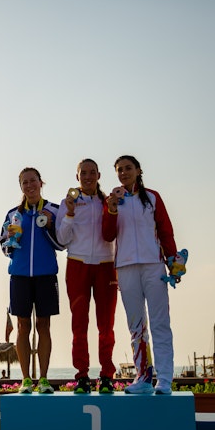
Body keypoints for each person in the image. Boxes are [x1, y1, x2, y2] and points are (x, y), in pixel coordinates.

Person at [102, 155, 178, 395]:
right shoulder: (112, 200)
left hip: (153, 266)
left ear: (138, 170)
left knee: (160, 323)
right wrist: (112, 210)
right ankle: (143, 377)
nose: (124, 173)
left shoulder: (153, 197)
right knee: (136, 326)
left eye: (128, 168)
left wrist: (173, 260)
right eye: (120, 170)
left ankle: (164, 379)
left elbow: (166, 231)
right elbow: (107, 234)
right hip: (125, 268)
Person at [0, 167, 65, 394]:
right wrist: (10, 239)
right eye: (25, 183)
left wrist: (49, 225)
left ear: (41, 182)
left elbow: (63, 243)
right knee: (22, 326)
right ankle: (26, 379)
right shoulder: (12, 214)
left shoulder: (53, 210)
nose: (29, 186)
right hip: (19, 276)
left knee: (44, 326)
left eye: (33, 181)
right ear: (21, 187)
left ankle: (44, 379)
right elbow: (4, 246)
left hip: (46, 275)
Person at [56, 159, 118, 394]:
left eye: (92, 173)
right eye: (84, 173)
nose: (88, 177)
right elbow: (62, 240)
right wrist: (70, 214)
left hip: (105, 265)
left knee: (106, 325)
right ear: (77, 177)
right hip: (77, 264)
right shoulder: (68, 202)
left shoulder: (108, 201)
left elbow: (114, 233)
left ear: (99, 175)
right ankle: (82, 376)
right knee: (79, 325)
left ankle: (106, 376)